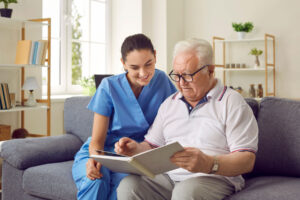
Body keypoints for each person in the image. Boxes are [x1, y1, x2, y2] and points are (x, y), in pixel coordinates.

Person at [115, 38, 258, 200]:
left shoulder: (231, 102)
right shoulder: (170, 103)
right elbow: (152, 145)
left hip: (213, 177)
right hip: (169, 178)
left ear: (210, 71)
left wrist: (210, 163)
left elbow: (247, 160)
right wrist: (135, 149)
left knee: (185, 193)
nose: (181, 83)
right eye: (176, 75)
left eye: (188, 75)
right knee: (129, 186)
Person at [72, 33, 177, 200]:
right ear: (123, 64)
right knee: (96, 181)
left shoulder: (162, 81)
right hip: (102, 151)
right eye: (134, 67)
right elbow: (96, 141)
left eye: (148, 64)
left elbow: (177, 117)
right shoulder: (109, 86)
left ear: (155, 56)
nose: (143, 73)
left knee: (125, 190)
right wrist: (94, 158)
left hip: (136, 156)